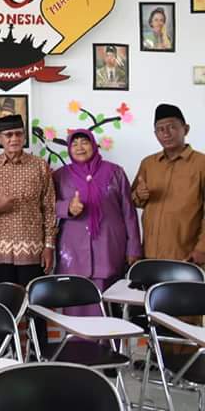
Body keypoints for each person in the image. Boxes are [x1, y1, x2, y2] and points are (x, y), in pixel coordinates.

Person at [0, 114, 56, 344]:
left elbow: (49, 208)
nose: (14, 139)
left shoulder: (39, 166)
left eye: (18, 134)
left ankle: (38, 352)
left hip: (33, 250)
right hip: (0, 251)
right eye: (8, 135)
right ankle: (2, 353)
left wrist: (49, 245)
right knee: (1, 306)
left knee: (36, 305)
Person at [54, 129, 142, 316]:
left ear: (94, 145)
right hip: (73, 251)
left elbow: (129, 212)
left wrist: (133, 248)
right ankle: (76, 336)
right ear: (69, 149)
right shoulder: (61, 176)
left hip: (108, 248)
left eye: (84, 142)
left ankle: (109, 337)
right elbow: (46, 207)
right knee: (75, 302)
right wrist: (67, 207)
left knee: (108, 306)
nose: (79, 147)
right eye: (74, 144)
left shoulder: (115, 172)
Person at [132, 104, 205, 263]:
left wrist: (202, 249)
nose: (166, 133)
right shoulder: (148, 164)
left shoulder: (201, 164)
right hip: (149, 253)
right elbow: (132, 201)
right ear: (155, 134)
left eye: (172, 127)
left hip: (188, 256)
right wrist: (139, 195)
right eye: (160, 129)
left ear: (185, 129)